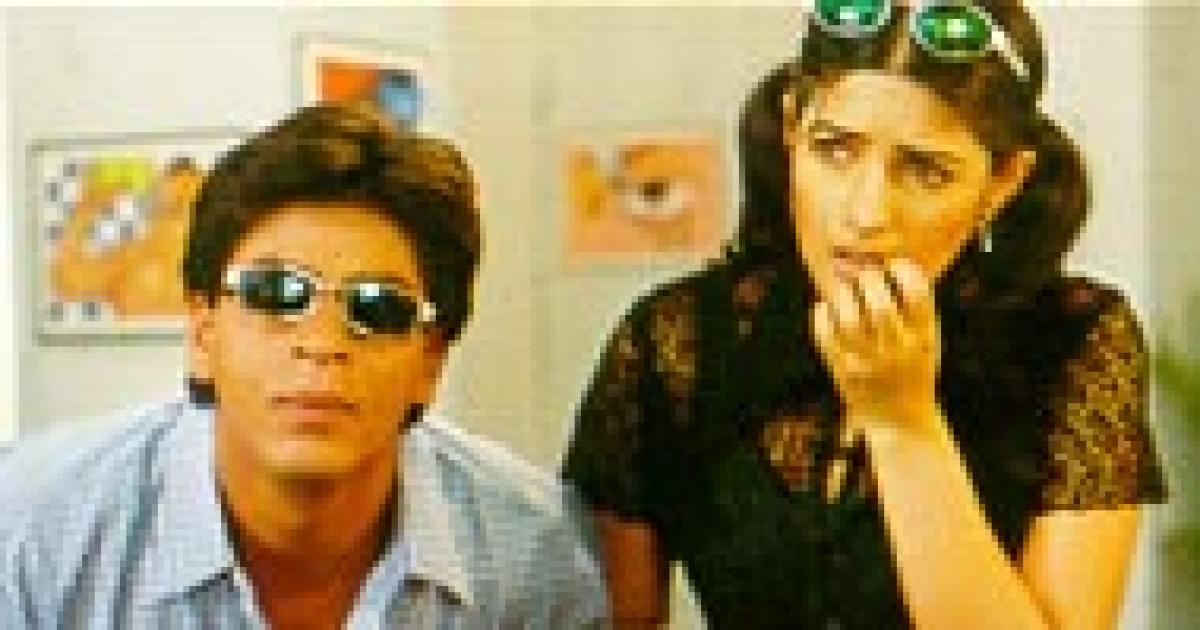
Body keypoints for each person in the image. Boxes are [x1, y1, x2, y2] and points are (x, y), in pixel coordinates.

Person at [562, 1, 1167, 628]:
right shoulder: (675, 340)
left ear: (1003, 183)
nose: (866, 212)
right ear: (792, 128)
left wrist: (904, 421)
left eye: (925, 170)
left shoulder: (1075, 339)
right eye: (835, 150)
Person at [1, 103, 607, 628]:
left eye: (378, 307)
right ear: (203, 332)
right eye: (274, 293)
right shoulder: (32, 532)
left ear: (430, 359)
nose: (321, 343)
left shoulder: (536, 553)